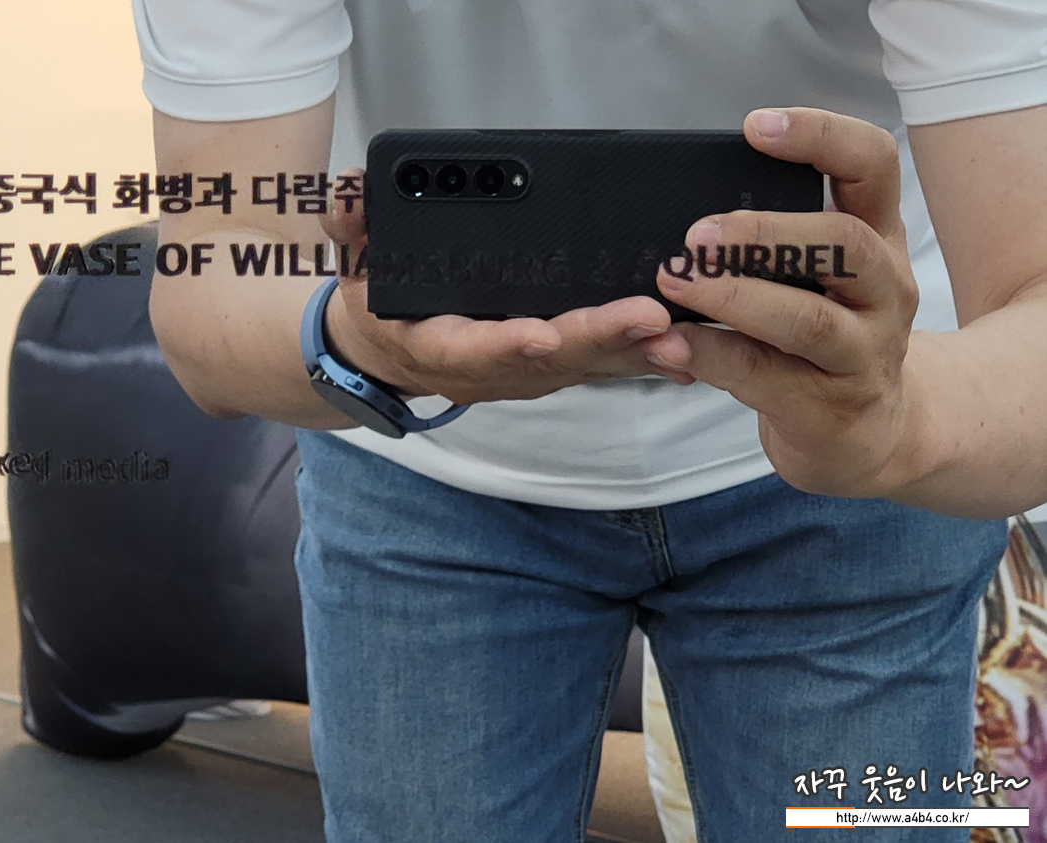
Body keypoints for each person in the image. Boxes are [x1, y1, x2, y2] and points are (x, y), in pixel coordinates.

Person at [129, 2, 1047, 840]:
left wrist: (895, 419)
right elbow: (212, 281)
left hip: (843, 432)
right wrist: (356, 343)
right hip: (432, 475)